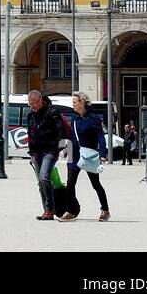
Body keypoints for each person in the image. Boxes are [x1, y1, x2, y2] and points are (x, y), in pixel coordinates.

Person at [60, 91, 110, 222]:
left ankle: (105, 209)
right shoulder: (75, 118)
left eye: (74, 102)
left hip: (89, 155)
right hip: (73, 153)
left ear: (82, 103)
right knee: (70, 183)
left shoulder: (93, 118)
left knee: (95, 184)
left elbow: (100, 137)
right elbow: (71, 135)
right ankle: (71, 211)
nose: (73, 105)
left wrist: (103, 154)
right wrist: (66, 149)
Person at [26, 89, 63, 220]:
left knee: (44, 177)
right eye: (30, 104)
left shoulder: (52, 112)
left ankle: (50, 209)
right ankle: (47, 210)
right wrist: (31, 153)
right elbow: (30, 134)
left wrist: (60, 148)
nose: (32, 106)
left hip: (50, 151)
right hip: (36, 152)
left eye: (34, 103)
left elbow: (60, 130)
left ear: (40, 100)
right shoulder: (30, 115)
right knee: (40, 182)